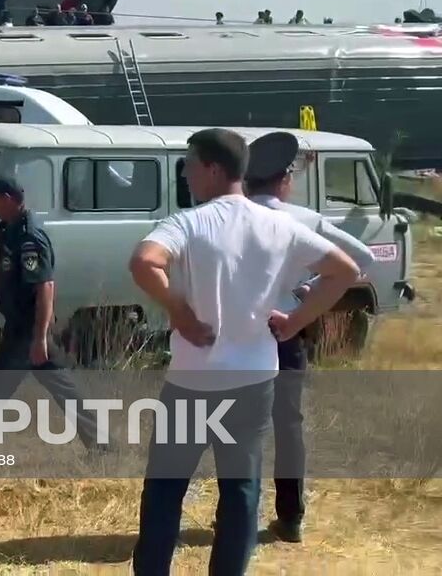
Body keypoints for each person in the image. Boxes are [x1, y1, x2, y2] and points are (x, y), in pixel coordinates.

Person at [127, 128, 360, 576]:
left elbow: (144, 262)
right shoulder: (279, 225)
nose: (186, 175)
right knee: (240, 491)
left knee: (165, 488)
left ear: (213, 169)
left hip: (192, 380)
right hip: (253, 381)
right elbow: (344, 271)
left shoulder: (188, 223)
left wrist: (179, 311)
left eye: (189, 165)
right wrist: (296, 321)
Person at [244, 131, 375, 543]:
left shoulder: (227, 218)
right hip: (287, 328)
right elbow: (363, 257)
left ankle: (238, 515)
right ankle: (291, 517)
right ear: (284, 180)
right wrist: (307, 289)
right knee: (288, 425)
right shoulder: (304, 220)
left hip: (239, 333)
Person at [0, 175, 101, 486]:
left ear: (7, 198)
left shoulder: (30, 237)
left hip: (26, 332)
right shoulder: (8, 230)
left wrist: (39, 337)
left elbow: (45, 287)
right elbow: (6, 267)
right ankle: (104, 447)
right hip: (22, 327)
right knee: (65, 390)